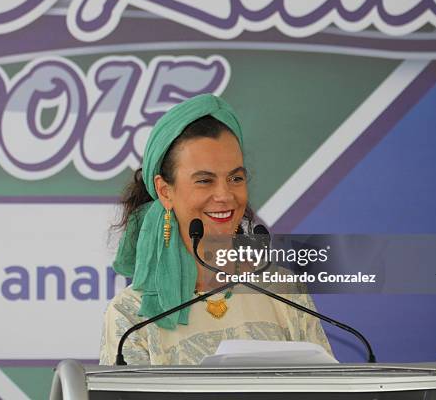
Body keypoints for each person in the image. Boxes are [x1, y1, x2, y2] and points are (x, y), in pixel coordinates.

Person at [99, 94, 332, 365]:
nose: (225, 195)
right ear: (165, 191)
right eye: (205, 181)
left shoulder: (282, 291)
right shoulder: (131, 317)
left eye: (235, 178)